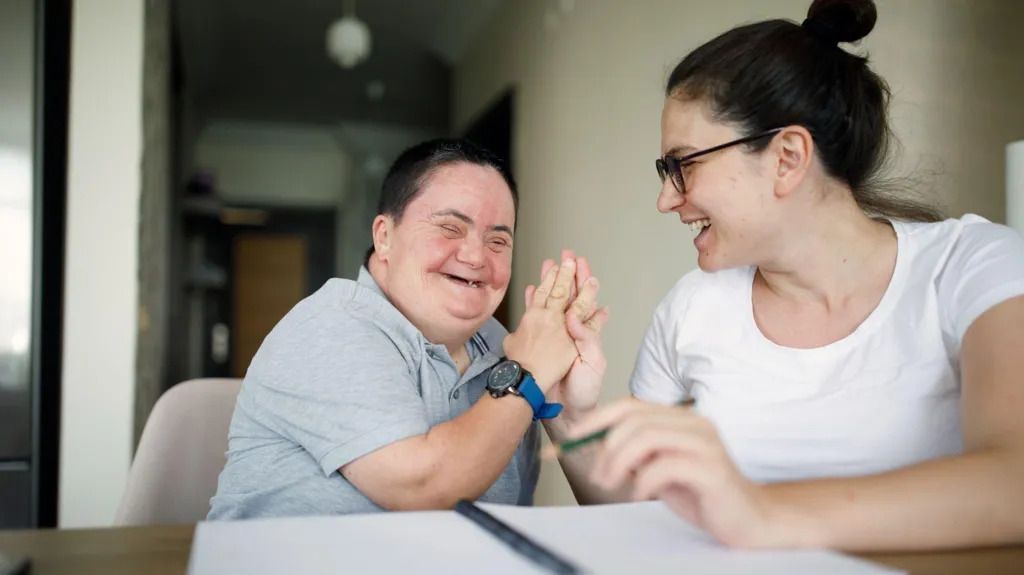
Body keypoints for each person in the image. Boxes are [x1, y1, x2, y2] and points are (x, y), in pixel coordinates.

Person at [556, 0, 1024, 551]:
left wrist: (762, 513)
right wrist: (566, 410)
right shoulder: (689, 309)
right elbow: (637, 516)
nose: (666, 199)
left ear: (786, 157)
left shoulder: (975, 266)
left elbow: (1012, 482)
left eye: (683, 165)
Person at [208, 138, 607, 519]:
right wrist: (527, 376)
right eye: (450, 228)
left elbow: (615, 514)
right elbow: (425, 488)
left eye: (498, 241)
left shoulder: (508, 348)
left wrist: (565, 412)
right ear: (384, 236)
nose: (475, 256)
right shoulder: (331, 326)